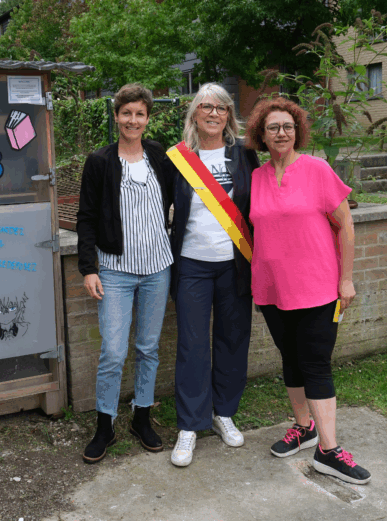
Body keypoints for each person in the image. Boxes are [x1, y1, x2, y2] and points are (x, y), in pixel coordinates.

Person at [245, 96, 371, 484]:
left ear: (297, 130)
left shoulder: (317, 169)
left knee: (315, 361)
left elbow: (346, 225)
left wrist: (346, 279)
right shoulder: (257, 177)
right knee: (291, 358)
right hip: (272, 288)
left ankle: (329, 451)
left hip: (318, 287)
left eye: (287, 126)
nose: (281, 133)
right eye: (272, 128)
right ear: (261, 136)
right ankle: (305, 428)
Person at [76, 84, 175, 464]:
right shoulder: (100, 161)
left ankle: (142, 418)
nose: (133, 120)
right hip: (115, 271)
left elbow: (174, 200)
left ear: (148, 119)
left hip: (157, 268)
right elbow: (86, 217)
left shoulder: (159, 157)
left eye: (140, 114)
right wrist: (89, 268)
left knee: (148, 348)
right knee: (113, 352)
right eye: (126, 113)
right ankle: (105, 425)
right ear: (116, 116)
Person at [169, 83, 259, 467]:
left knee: (232, 338)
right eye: (205, 107)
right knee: (191, 344)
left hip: (235, 263)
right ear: (194, 114)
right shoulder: (178, 158)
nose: (213, 113)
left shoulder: (245, 155)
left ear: (228, 115)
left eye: (220, 108)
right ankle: (190, 424)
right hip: (191, 263)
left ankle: (224, 412)